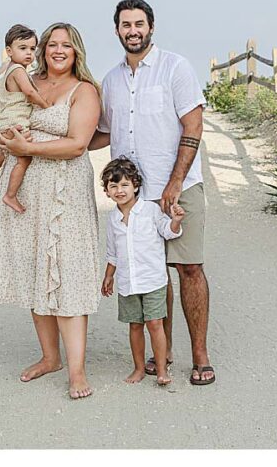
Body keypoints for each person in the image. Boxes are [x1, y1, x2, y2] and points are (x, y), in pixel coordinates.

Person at [89, 0, 216, 386]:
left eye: (139, 23)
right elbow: (102, 133)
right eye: (125, 24)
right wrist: (56, 143)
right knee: (151, 274)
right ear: (116, 30)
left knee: (189, 268)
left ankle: (200, 355)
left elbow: (192, 126)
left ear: (151, 27)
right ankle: (166, 352)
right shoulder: (110, 81)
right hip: (134, 199)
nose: (133, 30)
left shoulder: (175, 68)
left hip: (177, 188)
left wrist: (175, 182)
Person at [0, 22, 102, 400]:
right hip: (24, 193)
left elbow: (77, 145)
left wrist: (27, 149)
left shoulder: (84, 91)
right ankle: (50, 358)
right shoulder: (24, 80)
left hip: (64, 192)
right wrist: (5, 139)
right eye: (52, 44)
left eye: (66, 45)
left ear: (76, 51)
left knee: (67, 272)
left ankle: (78, 370)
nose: (57, 50)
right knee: (37, 269)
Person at [99, 157, 184, 387]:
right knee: (134, 325)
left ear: (136, 185)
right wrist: (109, 276)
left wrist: (175, 221)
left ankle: (161, 369)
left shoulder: (150, 210)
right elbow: (112, 252)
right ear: (106, 191)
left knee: (155, 324)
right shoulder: (113, 219)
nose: (119, 190)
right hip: (128, 282)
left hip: (153, 280)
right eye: (113, 186)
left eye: (125, 184)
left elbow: (168, 232)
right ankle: (138, 368)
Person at [0, 24, 51, 214]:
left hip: (4, 120)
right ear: (9, 51)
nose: (29, 53)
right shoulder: (18, 71)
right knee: (24, 158)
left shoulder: (10, 69)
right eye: (22, 48)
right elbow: (29, 92)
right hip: (13, 121)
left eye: (32, 49)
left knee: (3, 151)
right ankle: (10, 195)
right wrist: (45, 105)